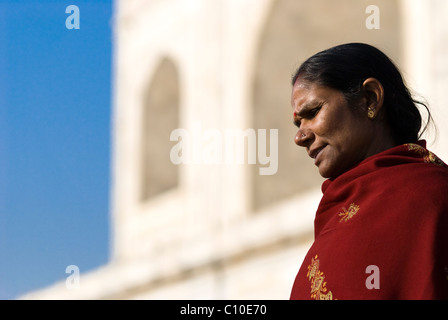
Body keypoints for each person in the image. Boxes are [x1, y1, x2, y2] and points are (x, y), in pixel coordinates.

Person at [289, 43, 448, 300]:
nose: (300, 136)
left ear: (369, 98)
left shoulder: (432, 196)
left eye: (313, 112)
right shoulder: (340, 211)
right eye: (298, 123)